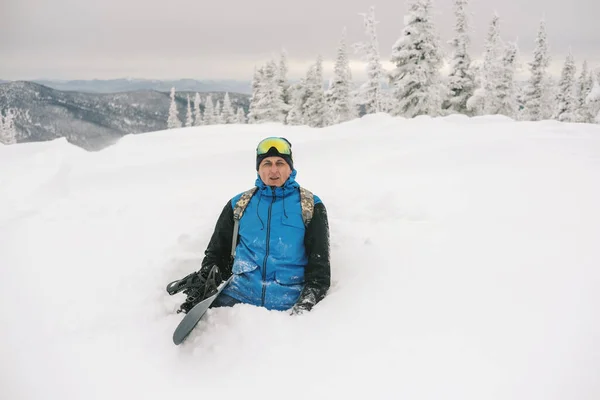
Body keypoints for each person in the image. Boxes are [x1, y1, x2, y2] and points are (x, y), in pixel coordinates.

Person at [195, 136, 331, 315]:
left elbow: (319, 270)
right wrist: (204, 283)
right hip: (236, 301)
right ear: (258, 169)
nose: (273, 170)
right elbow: (216, 254)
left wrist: (303, 308)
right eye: (267, 163)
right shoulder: (238, 205)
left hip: (286, 304)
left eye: (280, 163)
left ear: (290, 168)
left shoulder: (311, 206)